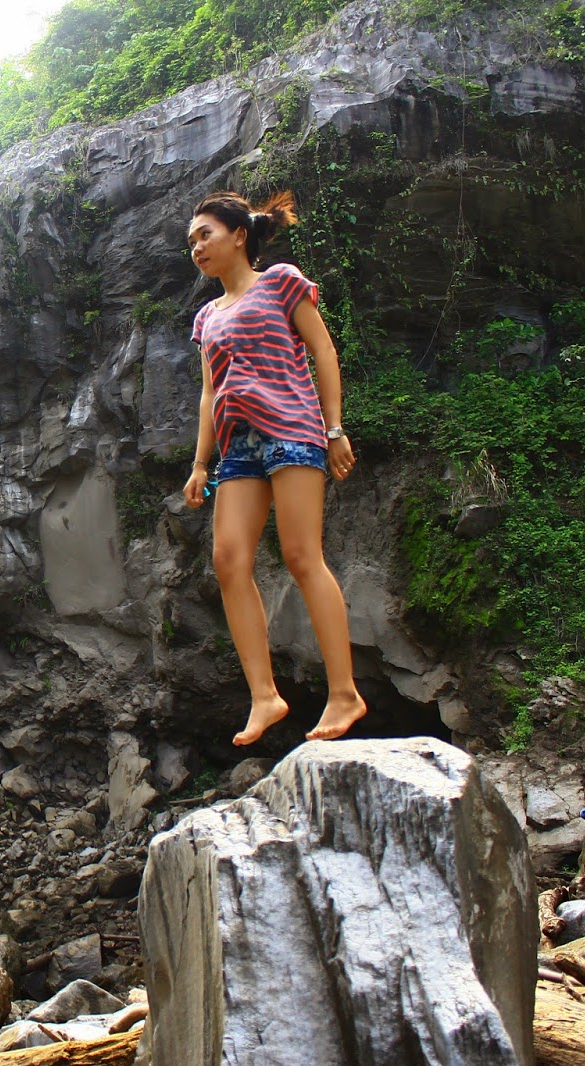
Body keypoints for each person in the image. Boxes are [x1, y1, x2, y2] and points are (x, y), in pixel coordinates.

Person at [181, 190, 368, 747]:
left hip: (292, 427)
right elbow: (210, 391)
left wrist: (334, 428)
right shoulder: (206, 317)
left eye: (205, 234)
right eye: (191, 241)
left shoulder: (281, 281)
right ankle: (264, 696)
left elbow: (323, 352)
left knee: (300, 554)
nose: (196, 247)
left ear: (239, 235)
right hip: (238, 446)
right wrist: (199, 464)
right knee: (228, 558)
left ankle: (344, 694)